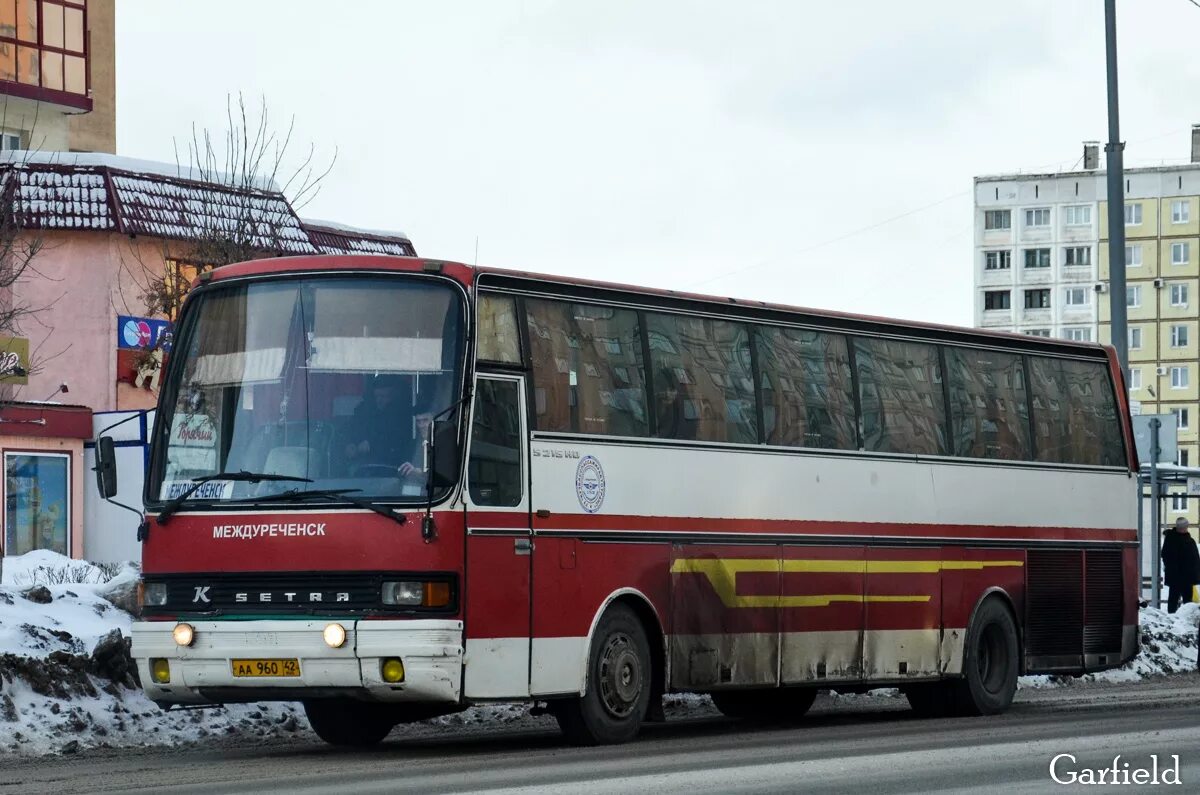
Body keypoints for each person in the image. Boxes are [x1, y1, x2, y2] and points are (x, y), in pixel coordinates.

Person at [1161, 516, 1200, 613]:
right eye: (1184, 526)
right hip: (1178, 577)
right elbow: (1167, 557)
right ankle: (1174, 621)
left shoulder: (1188, 539)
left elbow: (1195, 559)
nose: (1185, 528)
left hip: (1186, 577)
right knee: (1176, 601)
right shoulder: (1174, 540)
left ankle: (1183, 621)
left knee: (1186, 602)